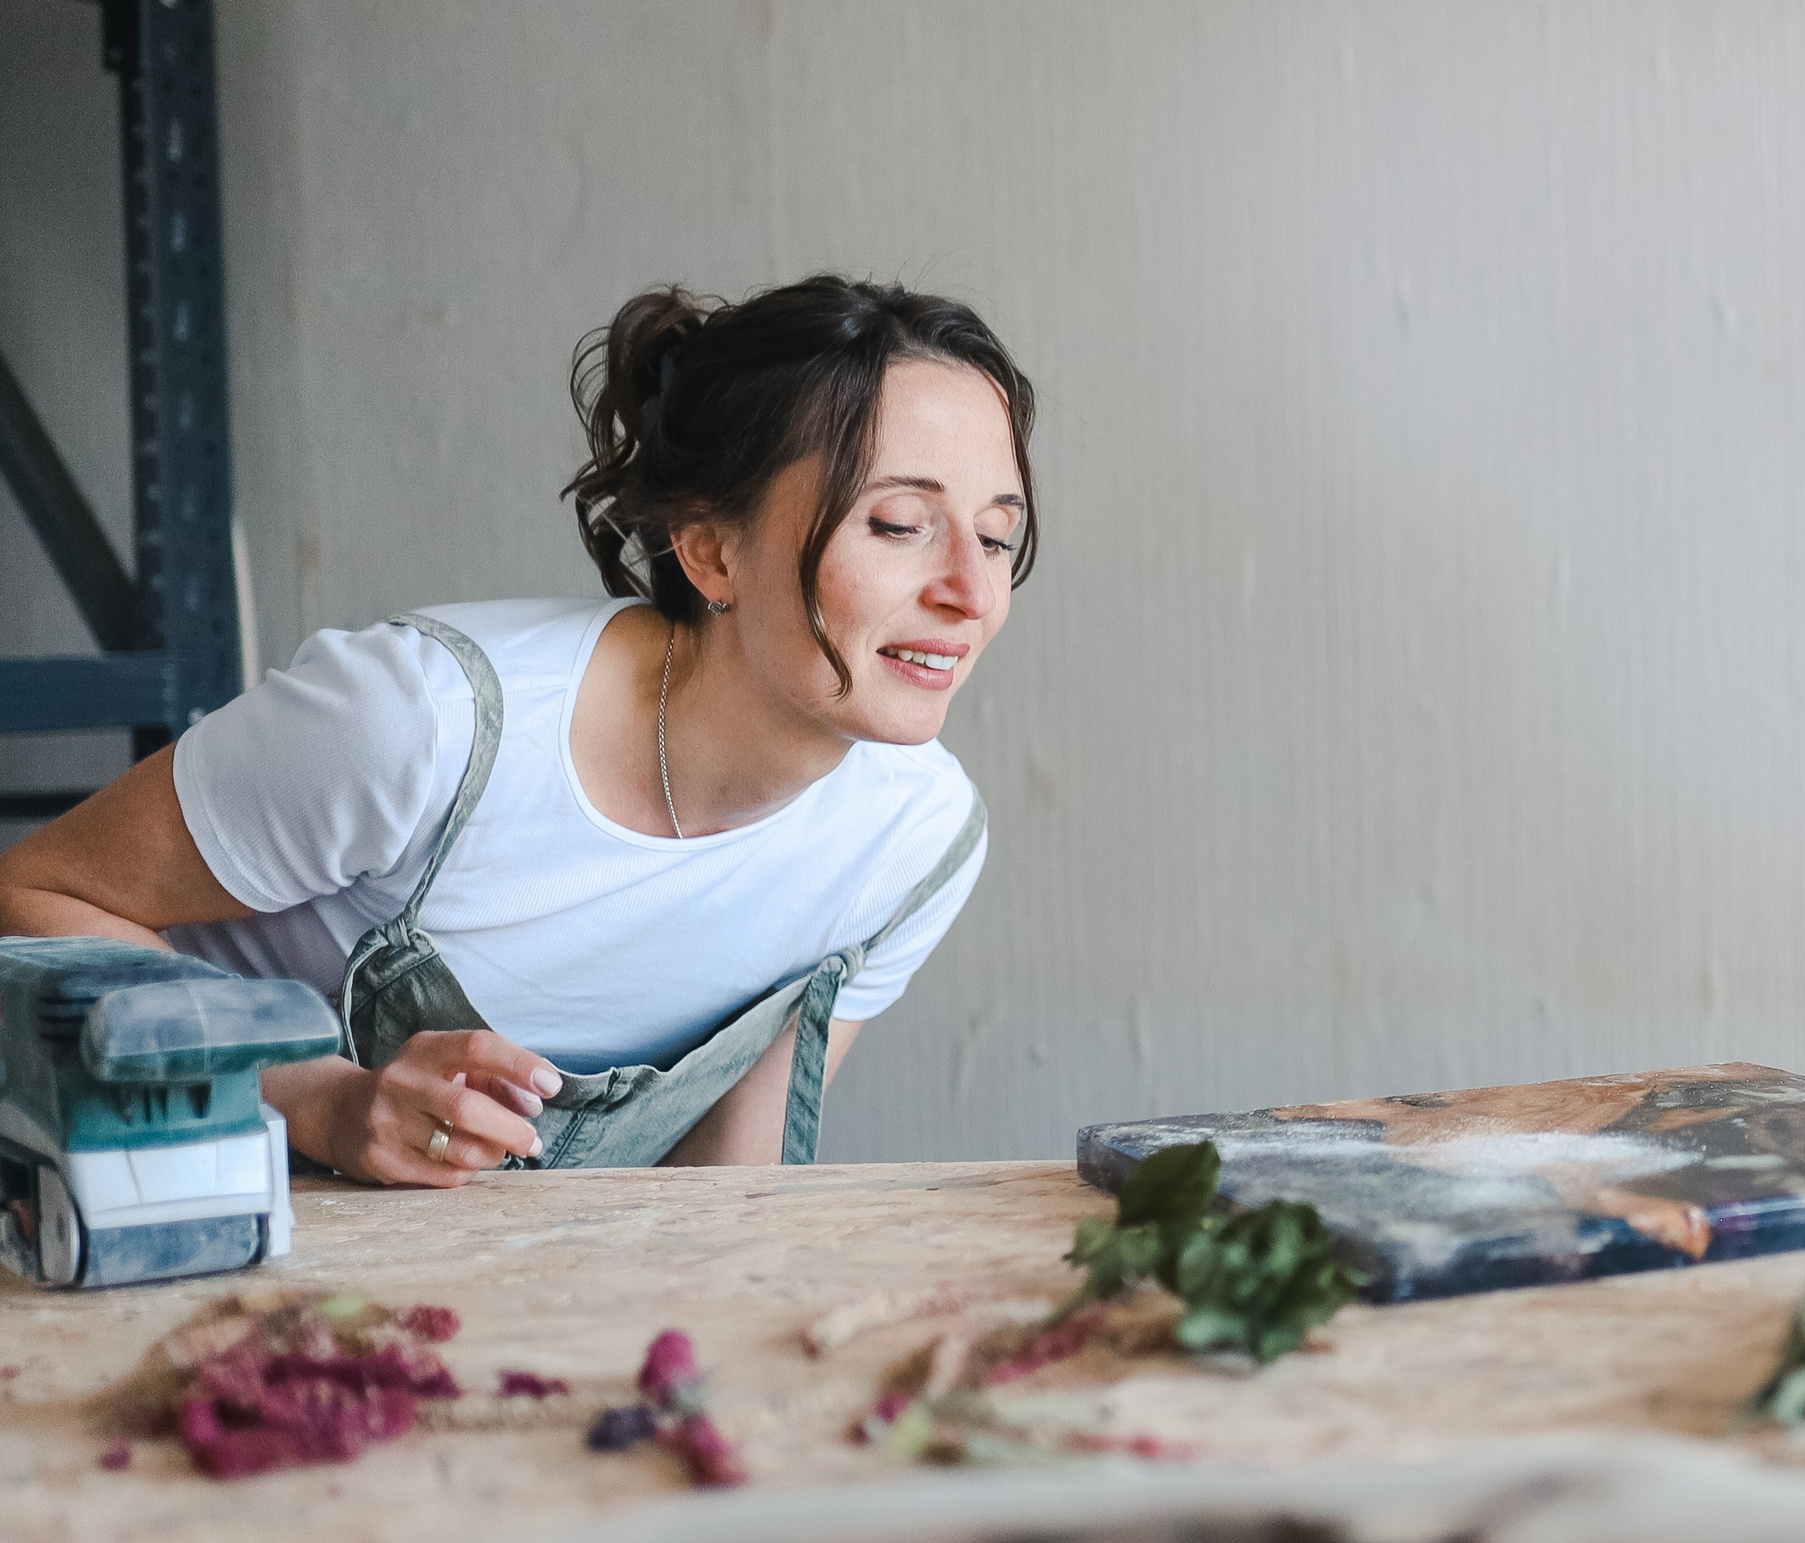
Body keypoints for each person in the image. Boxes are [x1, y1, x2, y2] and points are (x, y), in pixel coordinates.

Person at [0, 276, 1035, 1186]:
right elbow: (33, 895)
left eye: (996, 535)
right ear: (712, 553)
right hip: (153, 1198)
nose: (970, 592)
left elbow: (723, 1194)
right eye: (899, 526)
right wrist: (318, 1099)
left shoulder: (915, 844)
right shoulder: (424, 727)